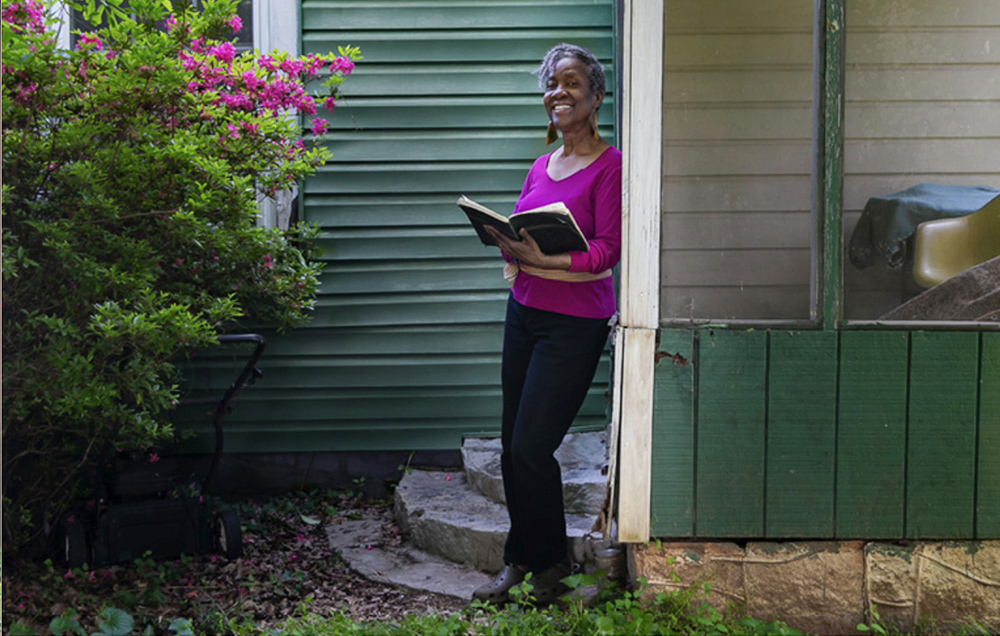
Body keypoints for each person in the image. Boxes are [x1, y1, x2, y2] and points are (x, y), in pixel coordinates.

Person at [471, 43, 622, 604]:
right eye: (552, 84)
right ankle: (523, 559)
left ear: (596, 96)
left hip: (573, 323)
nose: (559, 92)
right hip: (525, 312)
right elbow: (521, 229)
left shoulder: (611, 166)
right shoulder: (541, 165)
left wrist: (549, 260)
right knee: (513, 447)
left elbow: (609, 249)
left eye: (572, 83)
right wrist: (507, 243)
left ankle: (552, 564)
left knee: (533, 446)